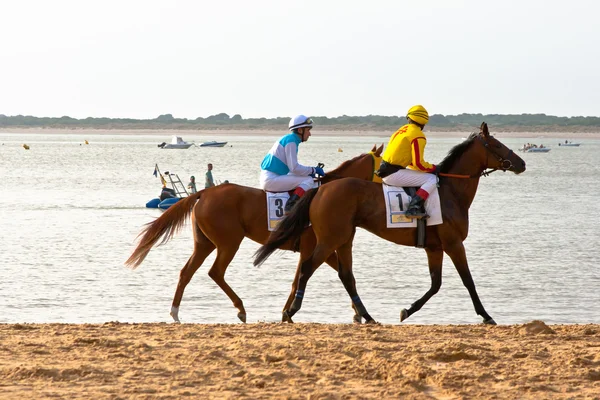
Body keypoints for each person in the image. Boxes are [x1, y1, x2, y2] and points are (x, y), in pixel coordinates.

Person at [376, 105, 438, 219]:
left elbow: (410, 162)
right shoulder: (418, 135)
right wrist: (434, 168)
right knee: (432, 179)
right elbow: (419, 164)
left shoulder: (400, 131)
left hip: (385, 170)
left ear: (408, 118)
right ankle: (413, 208)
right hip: (393, 174)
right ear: (424, 122)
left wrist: (427, 168)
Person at [259, 114, 325, 214]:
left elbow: (292, 169)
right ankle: (291, 205)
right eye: (308, 130)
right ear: (300, 130)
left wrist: (307, 171)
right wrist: (313, 170)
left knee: (306, 177)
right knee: (308, 180)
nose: (310, 134)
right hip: (271, 179)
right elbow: (294, 168)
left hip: (272, 176)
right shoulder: (291, 142)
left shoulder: (289, 139)